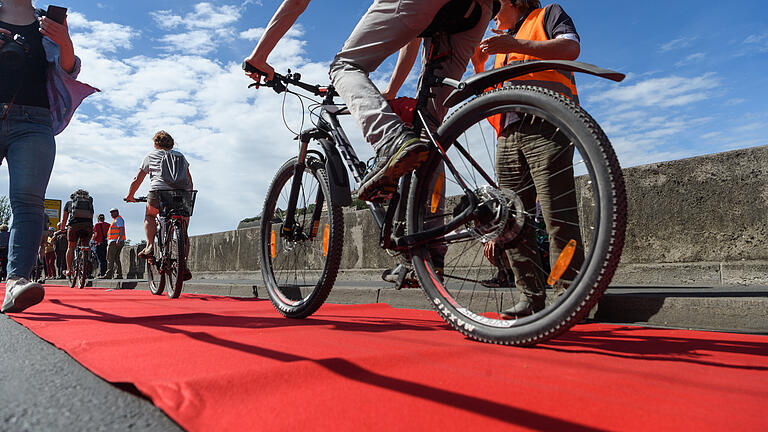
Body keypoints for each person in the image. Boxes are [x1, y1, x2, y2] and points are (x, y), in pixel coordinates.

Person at [243, 0, 495, 202]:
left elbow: (296, 2)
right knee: (429, 133)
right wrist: (392, 90)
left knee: (345, 66)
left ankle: (390, 139)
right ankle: (426, 254)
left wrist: (259, 58)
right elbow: (414, 33)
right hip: (478, 11)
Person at [472, 0, 584, 317]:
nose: (492, 10)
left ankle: (569, 297)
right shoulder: (499, 44)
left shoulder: (547, 15)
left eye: (497, 3)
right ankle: (530, 298)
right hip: (508, 135)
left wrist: (514, 43)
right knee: (512, 222)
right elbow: (492, 96)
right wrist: (479, 66)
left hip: (547, 125)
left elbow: (570, 48)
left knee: (557, 218)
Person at [1, 1, 97, 313]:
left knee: (28, 203)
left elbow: (68, 68)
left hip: (34, 122)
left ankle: (16, 282)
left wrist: (65, 42)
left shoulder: (47, 23)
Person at [125, 130, 194, 280]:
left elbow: (138, 178)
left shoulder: (150, 155)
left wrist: (130, 196)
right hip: (181, 195)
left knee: (150, 215)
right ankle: (184, 265)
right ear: (172, 144)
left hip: (158, 193)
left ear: (155, 143)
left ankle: (150, 246)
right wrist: (188, 195)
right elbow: (189, 179)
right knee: (183, 229)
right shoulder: (180, 157)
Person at [60, 189, 94, 279]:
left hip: (74, 226)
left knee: (71, 247)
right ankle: (86, 260)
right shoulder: (89, 203)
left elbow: (64, 220)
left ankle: (68, 270)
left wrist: (62, 229)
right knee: (86, 245)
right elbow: (91, 216)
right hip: (88, 226)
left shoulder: (69, 203)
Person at [100, 207, 125, 279]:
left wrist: (118, 239)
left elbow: (121, 229)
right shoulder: (116, 220)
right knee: (116, 258)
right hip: (115, 241)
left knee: (110, 258)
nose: (112, 214)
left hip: (114, 241)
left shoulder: (118, 219)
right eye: (111, 212)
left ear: (117, 212)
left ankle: (108, 274)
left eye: (113, 212)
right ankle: (118, 274)